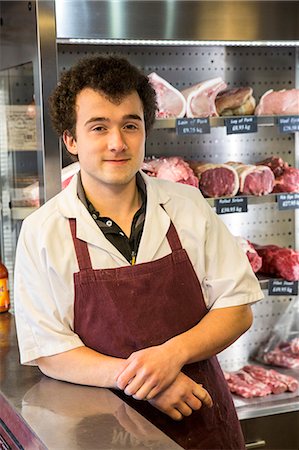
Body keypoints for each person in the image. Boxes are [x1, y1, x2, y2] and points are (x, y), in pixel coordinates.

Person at [14, 56, 264, 449]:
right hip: (100, 428)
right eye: (99, 127)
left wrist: (172, 354)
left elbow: (237, 307)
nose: (118, 143)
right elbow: (50, 350)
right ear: (71, 140)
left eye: (131, 125)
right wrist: (148, 382)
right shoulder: (44, 231)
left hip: (200, 416)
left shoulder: (187, 205)